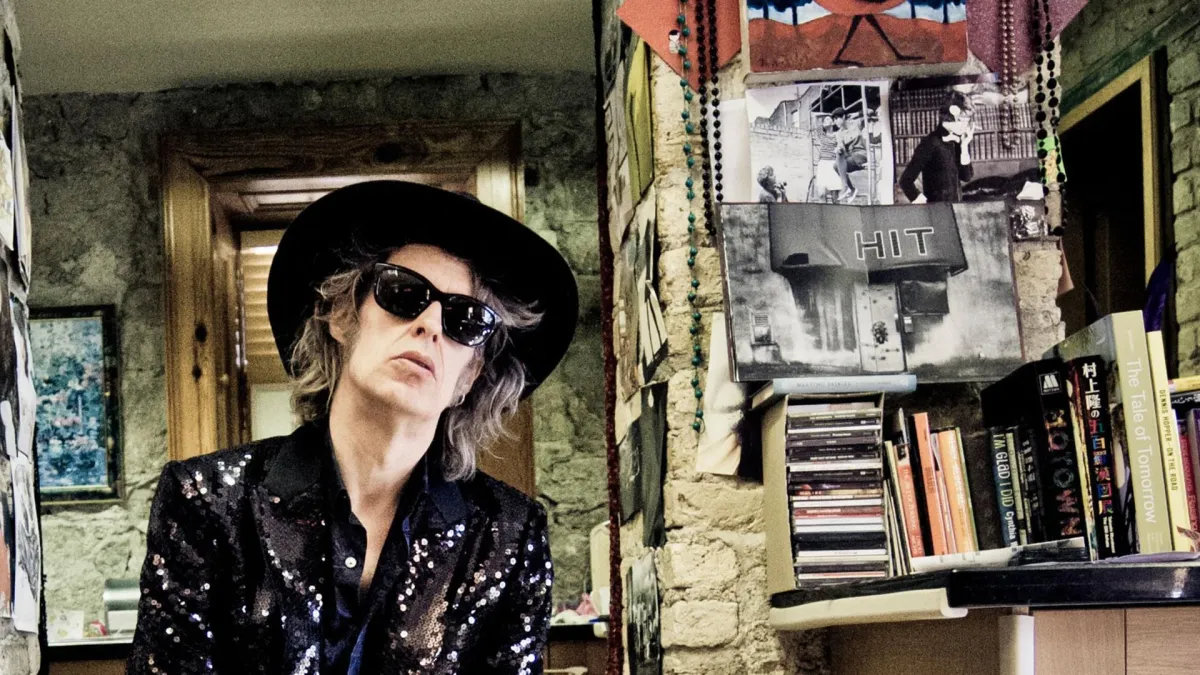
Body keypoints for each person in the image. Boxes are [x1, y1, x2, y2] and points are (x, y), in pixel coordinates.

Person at [127, 181, 579, 674]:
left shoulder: (508, 536)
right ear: (340, 314)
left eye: (466, 320)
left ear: (470, 376)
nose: (430, 325)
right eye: (403, 293)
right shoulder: (206, 502)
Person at [899, 91, 976, 203]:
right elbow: (905, 181)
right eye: (960, 120)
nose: (964, 126)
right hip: (937, 210)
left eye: (967, 121)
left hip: (956, 208)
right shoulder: (930, 142)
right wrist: (924, 205)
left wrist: (964, 147)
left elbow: (966, 177)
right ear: (947, 117)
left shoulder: (961, 141)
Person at [831, 107, 870, 203]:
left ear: (843, 117)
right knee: (835, 165)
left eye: (837, 118)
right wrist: (838, 149)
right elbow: (842, 149)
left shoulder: (856, 123)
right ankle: (850, 188)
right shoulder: (839, 133)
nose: (835, 122)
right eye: (834, 120)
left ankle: (846, 188)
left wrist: (857, 113)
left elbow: (870, 111)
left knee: (838, 162)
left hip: (862, 155)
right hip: (851, 156)